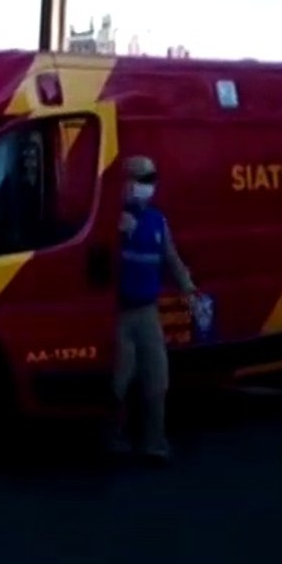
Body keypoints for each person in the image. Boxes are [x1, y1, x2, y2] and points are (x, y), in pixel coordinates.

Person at [109, 155, 198, 464]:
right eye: (139, 180)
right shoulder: (116, 219)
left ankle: (154, 444)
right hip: (121, 311)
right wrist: (120, 231)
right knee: (119, 381)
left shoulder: (158, 221)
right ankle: (114, 439)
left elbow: (171, 258)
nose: (145, 187)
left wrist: (188, 287)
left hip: (147, 311)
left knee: (157, 379)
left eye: (149, 180)